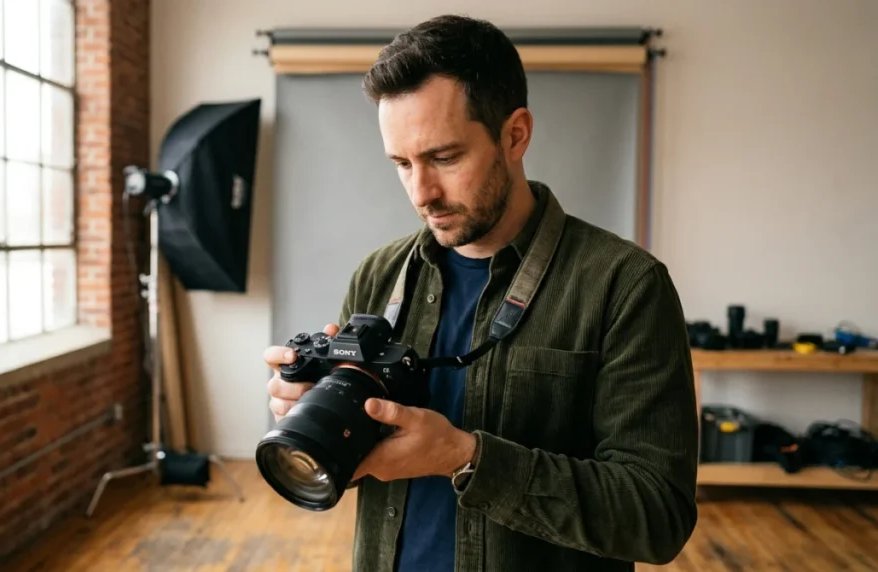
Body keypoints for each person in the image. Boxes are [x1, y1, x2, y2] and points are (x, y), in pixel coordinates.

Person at [264, 14, 699, 572]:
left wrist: (466, 458)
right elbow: (354, 470)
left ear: (514, 134)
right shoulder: (378, 276)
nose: (422, 192)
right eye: (402, 163)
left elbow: (656, 517)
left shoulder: (623, 286)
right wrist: (315, 417)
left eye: (444, 158)